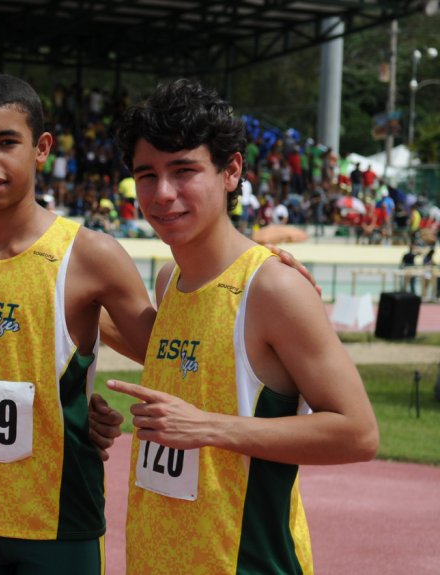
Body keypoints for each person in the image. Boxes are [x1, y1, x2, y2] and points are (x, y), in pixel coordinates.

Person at [107, 78, 378, 574]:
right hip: (159, 559)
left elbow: (358, 433)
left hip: (246, 562)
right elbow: (173, 352)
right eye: (147, 175)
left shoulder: (273, 288)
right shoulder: (172, 281)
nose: (162, 194)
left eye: (183, 171)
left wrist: (207, 427)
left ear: (231, 172)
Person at [0, 74, 150, 573]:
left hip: (59, 517)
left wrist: (247, 266)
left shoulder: (91, 256)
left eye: (6, 142)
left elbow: (166, 348)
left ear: (41, 149)